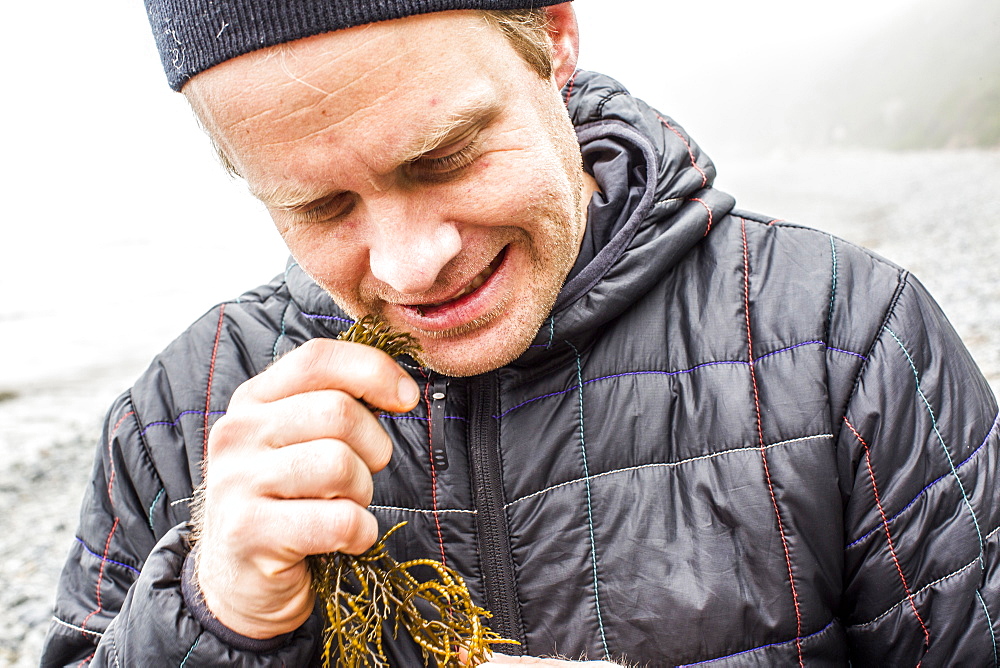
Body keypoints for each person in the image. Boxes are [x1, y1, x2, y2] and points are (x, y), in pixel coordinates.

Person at [41, 1, 998, 666]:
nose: (412, 267)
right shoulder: (181, 421)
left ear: (554, 35)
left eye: (444, 156)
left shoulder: (846, 339)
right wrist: (210, 621)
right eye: (320, 204)